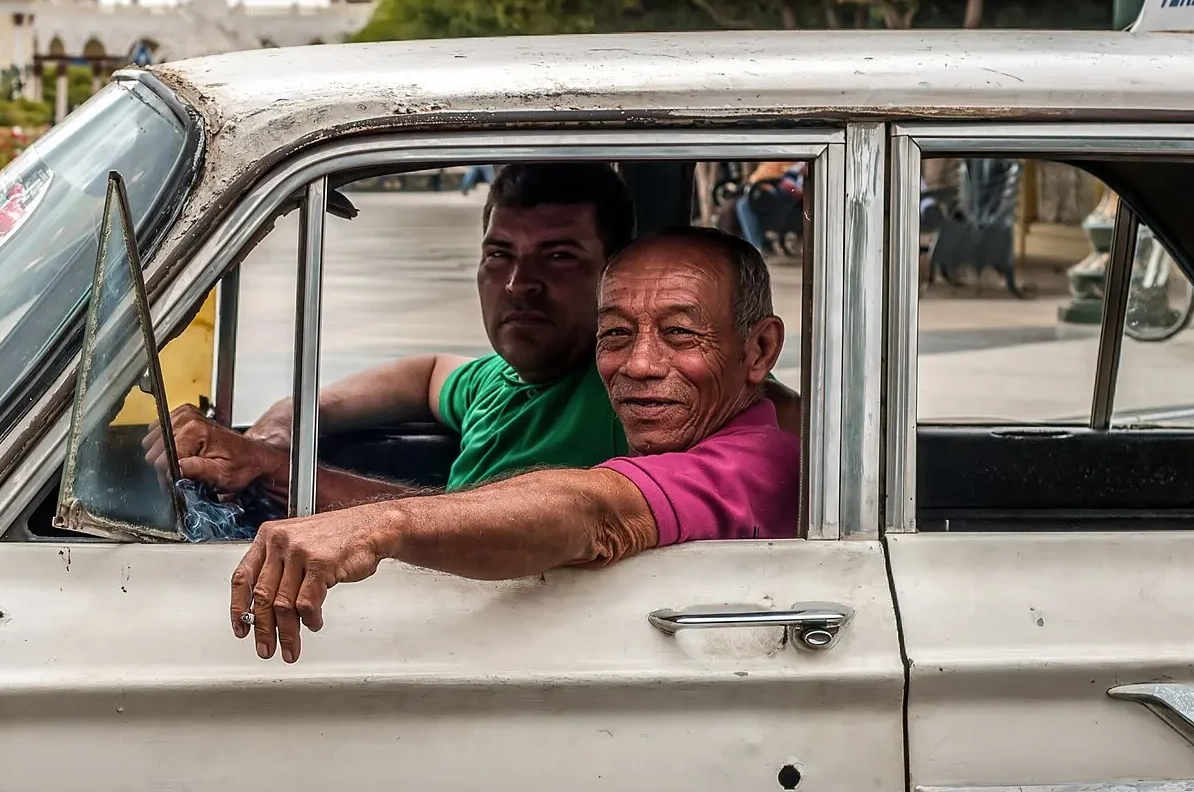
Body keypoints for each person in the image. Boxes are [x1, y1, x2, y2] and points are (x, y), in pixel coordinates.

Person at [227, 227, 798, 662]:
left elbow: (593, 510)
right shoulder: (500, 384)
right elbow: (430, 377)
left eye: (679, 334)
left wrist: (379, 525)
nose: (640, 365)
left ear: (759, 350)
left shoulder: (754, 461)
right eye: (616, 334)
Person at [152, 163, 638, 512]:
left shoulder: (629, 397)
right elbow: (427, 375)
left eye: (557, 257)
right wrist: (281, 422)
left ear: (617, 275)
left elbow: (471, 527)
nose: (517, 283)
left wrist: (267, 466)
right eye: (499, 254)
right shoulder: (500, 380)